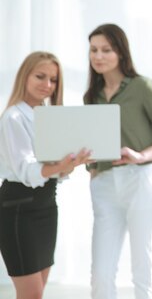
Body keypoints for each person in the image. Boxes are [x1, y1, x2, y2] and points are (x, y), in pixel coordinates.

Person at [84, 24, 152, 299]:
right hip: (103, 185)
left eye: (106, 50)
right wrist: (91, 170)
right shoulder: (91, 97)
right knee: (100, 274)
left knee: (143, 268)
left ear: (121, 52)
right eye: (93, 50)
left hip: (141, 181)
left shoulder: (142, 87)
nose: (98, 56)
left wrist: (141, 156)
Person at [0, 51, 91, 299]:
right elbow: (27, 171)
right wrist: (61, 165)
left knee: (38, 292)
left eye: (53, 80)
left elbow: (54, 171)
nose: (47, 85)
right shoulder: (13, 118)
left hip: (47, 206)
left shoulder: (50, 117)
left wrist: (72, 163)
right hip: (18, 208)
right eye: (40, 76)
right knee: (31, 294)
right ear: (24, 76)